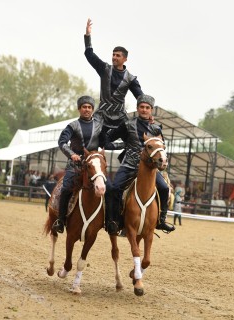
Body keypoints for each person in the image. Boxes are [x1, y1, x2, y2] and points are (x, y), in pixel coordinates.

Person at [105, 94, 175, 235]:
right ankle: (114, 221)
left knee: (163, 188)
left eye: (147, 108)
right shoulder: (127, 124)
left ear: (151, 110)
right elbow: (108, 139)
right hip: (129, 165)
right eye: (141, 107)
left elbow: (162, 146)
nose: (144, 110)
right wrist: (123, 145)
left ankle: (161, 221)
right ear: (137, 108)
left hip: (149, 169)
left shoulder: (156, 128)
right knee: (114, 188)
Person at [51, 95, 110, 233]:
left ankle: (109, 221)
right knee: (66, 189)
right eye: (84, 107)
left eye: (89, 107)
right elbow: (62, 142)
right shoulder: (72, 126)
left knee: (110, 188)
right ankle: (60, 220)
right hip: (76, 166)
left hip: (94, 166)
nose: (87, 110)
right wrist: (72, 154)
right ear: (79, 109)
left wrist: (124, 143)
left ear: (92, 109)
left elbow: (105, 143)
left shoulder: (98, 125)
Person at [84, 18, 144, 132]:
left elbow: (141, 98)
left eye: (118, 55)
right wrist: (87, 35)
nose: (114, 57)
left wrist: (148, 114)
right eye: (113, 55)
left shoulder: (131, 79)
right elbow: (89, 54)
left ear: (125, 59)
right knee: (90, 136)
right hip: (101, 115)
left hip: (120, 116)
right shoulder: (104, 69)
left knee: (134, 136)